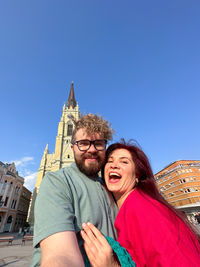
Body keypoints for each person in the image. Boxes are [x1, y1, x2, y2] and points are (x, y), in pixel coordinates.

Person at [81, 140, 200, 267]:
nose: (114, 165)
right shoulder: (128, 208)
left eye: (124, 161)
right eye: (110, 161)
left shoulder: (142, 208)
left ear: (137, 175)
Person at [30, 114, 118, 267]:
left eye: (98, 143)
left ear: (105, 147)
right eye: (83, 143)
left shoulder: (111, 187)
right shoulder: (56, 181)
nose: (91, 149)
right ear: (72, 147)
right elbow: (61, 257)